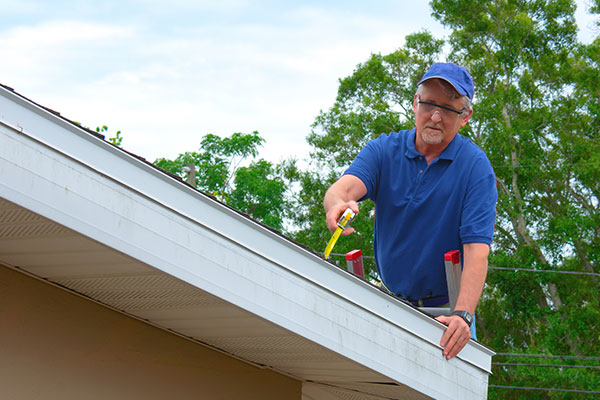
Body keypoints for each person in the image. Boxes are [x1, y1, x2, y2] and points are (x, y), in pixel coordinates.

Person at [323, 62, 497, 360]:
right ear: (415, 102)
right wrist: (336, 204)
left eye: (448, 109)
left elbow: (477, 251)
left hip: (446, 314)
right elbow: (343, 189)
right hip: (389, 303)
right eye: (428, 103)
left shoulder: (475, 169)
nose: (435, 116)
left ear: (465, 116)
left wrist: (463, 316)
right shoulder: (384, 150)